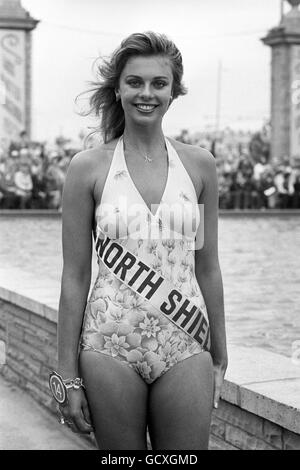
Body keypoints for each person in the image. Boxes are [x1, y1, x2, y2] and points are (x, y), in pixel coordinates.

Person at [52, 31, 227, 450]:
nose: (146, 93)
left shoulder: (200, 165)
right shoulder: (87, 168)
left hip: (185, 341)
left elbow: (209, 265)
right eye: (135, 82)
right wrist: (66, 375)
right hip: (108, 344)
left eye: (158, 83)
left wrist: (220, 353)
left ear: (174, 91)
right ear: (117, 87)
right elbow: (74, 276)